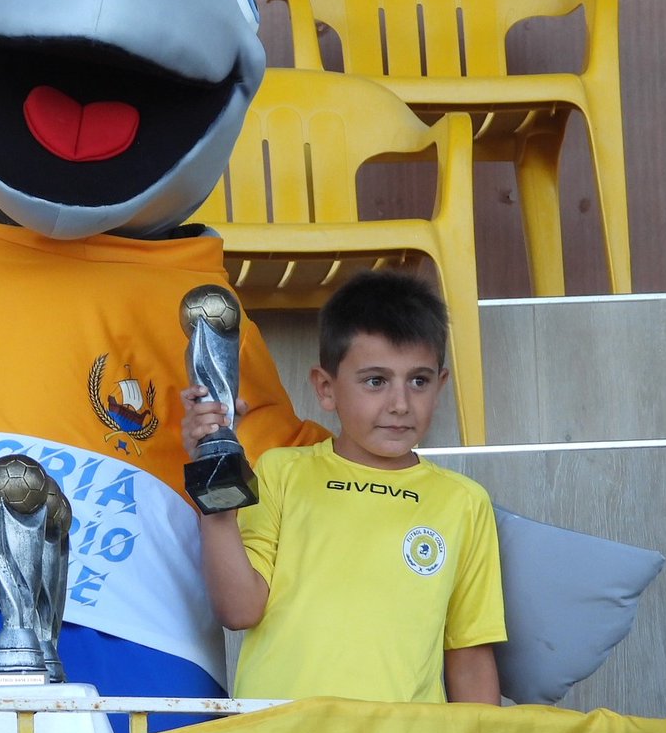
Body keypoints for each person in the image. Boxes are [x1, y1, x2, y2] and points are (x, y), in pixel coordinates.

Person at [181, 269, 505, 705]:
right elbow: (239, 611)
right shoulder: (281, 473)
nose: (400, 404)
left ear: (440, 385)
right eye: (376, 381)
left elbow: (469, 654)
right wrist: (214, 487)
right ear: (326, 388)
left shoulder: (464, 501)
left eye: (419, 381)